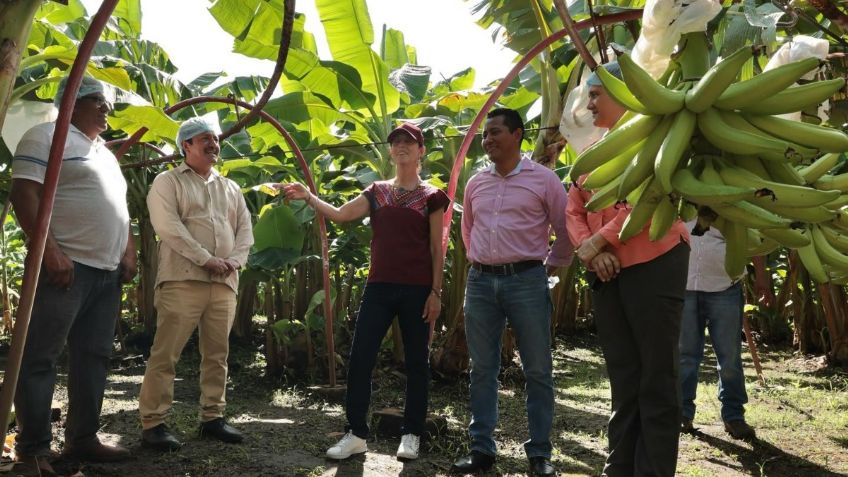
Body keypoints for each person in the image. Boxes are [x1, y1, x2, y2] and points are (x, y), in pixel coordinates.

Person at [279, 122, 448, 461]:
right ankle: (356, 433)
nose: (401, 146)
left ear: (421, 151)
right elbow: (342, 215)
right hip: (379, 287)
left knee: (416, 363)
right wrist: (309, 197)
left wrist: (436, 292)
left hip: (417, 290)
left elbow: (435, 248)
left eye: (409, 142)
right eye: (396, 142)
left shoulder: (432, 196)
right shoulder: (377, 191)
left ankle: (411, 433)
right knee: (360, 359)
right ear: (390, 151)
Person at [565, 62, 690, 477]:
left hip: (655, 263)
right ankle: (618, 467)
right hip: (607, 272)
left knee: (656, 377)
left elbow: (653, 195)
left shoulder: (657, 141)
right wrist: (590, 250)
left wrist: (601, 240)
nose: (589, 103)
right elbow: (575, 206)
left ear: (623, 91)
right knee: (623, 376)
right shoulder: (594, 151)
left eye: (596, 94)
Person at [10, 76, 135, 474]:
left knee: (93, 357)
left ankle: (83, 438)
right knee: (41, 357)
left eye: (107, 102)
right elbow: (23, 195)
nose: (106, 108)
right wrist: (50, 253)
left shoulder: (104, 152)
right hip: (66, 269)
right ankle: (32, 449)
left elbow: (120, 208)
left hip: (106, 272)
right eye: (97, 100)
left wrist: (128, 251)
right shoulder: (44, 136)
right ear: (72, 102)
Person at [451, 108, 572, 477]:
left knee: (537, 369)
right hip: (482, 282)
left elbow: (565, 229)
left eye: (495, 132)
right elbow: (468, 229)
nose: (487, 140)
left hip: (527, 280)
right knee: (482, 369)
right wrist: (480, 262)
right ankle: (481, 450)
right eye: (485, 135)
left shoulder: (545, 180)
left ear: (518, 135)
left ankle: (539, 455)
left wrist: (550, 265)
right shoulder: (476, 183)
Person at [138, 117, 253, 451]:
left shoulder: (230, 188)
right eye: (205, 139)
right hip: (183, 280)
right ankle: (153, 423)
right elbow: (169, 227)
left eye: (215, 139)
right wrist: (206, 259)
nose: (214, 145)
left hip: (224, 283)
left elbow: (245, 229)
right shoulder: (167, 182)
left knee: (217, 354)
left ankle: (213, 417)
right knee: (166, 354)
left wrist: (234, 261)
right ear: (185, 145)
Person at [680, 222, 755, 440]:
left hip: (725, 286)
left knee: (729, 357)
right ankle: (683, 413)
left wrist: (761, 277)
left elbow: (754, 237)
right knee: (685, 356)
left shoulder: (731, 201)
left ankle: (734, 416)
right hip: (684, 285)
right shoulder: (677, 197)